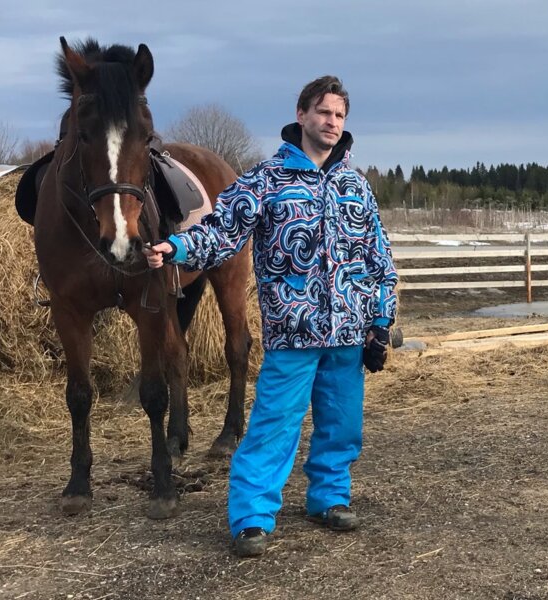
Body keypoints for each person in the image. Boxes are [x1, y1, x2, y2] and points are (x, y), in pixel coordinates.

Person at [144, 75, 398, 558]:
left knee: (342, 425)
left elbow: (378, 257)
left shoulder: (355, 186)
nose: (332, 122)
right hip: (294, 332)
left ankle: (329, 497)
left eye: (339, 115)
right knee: (273, 427)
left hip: (348, 332)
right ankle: (252, 517)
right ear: (301, 115)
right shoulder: (266, 180)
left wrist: (380, 322)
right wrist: (176, 248)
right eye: (323, 112)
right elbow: (221, 231)